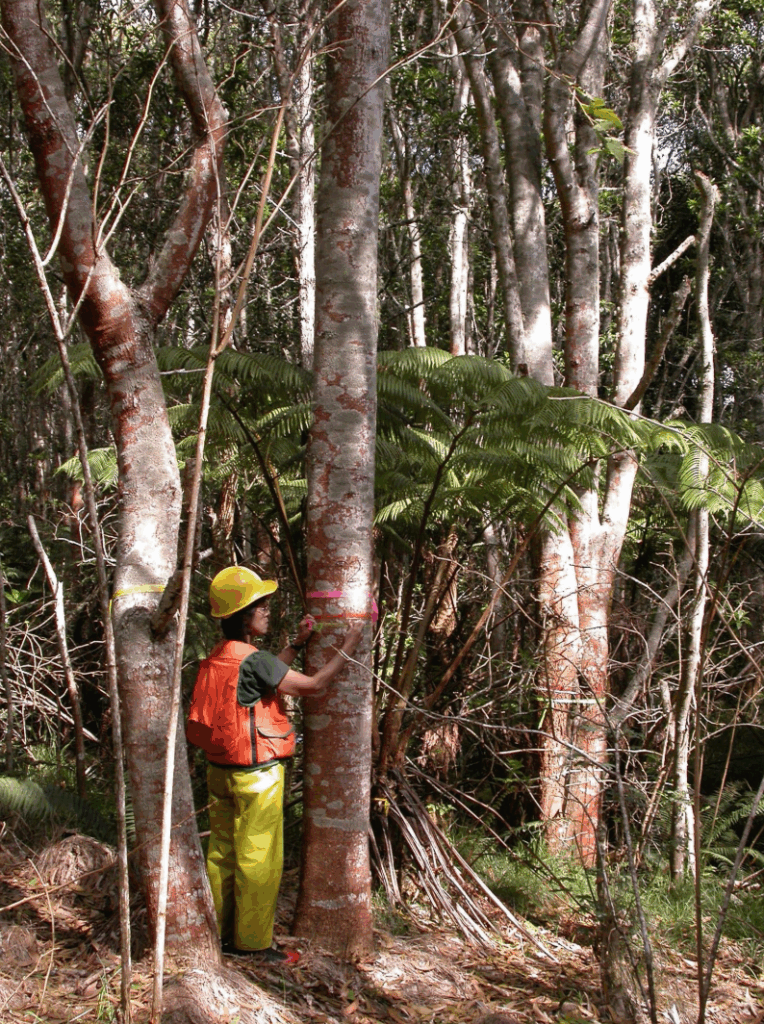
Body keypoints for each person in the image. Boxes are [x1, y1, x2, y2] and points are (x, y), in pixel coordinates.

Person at [186, 565, 362, 962]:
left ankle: (218, 935)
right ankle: (253, 945)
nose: (267, 610)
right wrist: (347, 646)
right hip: (256, 776)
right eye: (260, 606)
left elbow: (265, 677)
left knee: (222, 855)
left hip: (220, 772)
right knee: (259, 858)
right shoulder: (255, 658)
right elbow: (312, 687)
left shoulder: (221, 656)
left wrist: (297, 644)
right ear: (243, 617)